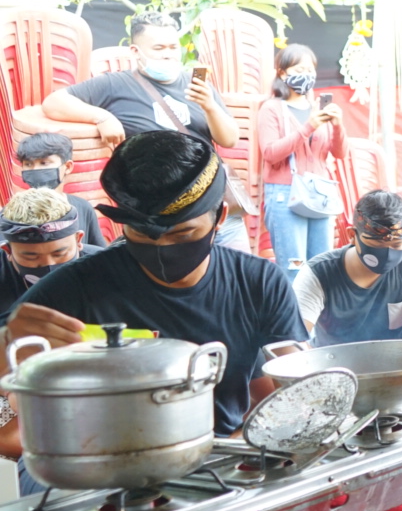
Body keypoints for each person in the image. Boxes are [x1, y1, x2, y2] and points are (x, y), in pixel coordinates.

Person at [3, 130, 307, 439]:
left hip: (223, 462)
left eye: (182, 234)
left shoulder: (257, 282)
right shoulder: (75, 287)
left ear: (219, 218)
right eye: (143, 234)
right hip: (108, 463)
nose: (162, 247)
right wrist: (6, 348)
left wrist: (242, 443)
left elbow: (294, 388)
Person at [43, 10, 253, 251]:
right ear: (135, 51)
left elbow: (229, 139)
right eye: (159, 48)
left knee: (235, 276)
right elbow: (54, 102)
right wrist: (101, 116)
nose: (168, 55)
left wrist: (209, 106)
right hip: (160, 216)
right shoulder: (114, 84)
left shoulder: (198, 85)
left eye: (173, 47)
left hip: (213, 204)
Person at [294, 191, 402, 346]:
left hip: (399, 366)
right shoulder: (318, 272)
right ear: (352, 236)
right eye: (377, 244)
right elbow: (293, 337)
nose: (388, 254)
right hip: (333, 367)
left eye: (397, 245)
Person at [256, 44, 348, 272]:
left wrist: (337, 125)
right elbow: (270, 153)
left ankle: (319, 309)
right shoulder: (271, 108)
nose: (306, 75)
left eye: (310, 69)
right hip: (285, 194)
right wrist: (308, 127)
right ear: (282, 73)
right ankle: (293, 309)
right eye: (299, 69)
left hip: (319, 192)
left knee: (321, 266)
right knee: (293, 267)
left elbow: (340, 153)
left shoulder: (316, 108)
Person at [0, 188, 101, 313]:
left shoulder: (106, 269)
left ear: (78, 240)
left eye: (59, 253)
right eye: (31, 257)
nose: (49, 265)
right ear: (8, 251)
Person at [13, 132, 108, 247]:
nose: (35, 169)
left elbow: (98, 253)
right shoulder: (13, 212)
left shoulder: (83, 207)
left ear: (67, 167)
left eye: (44, 163)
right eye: (28, 164)